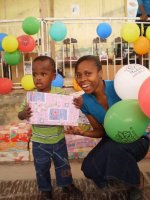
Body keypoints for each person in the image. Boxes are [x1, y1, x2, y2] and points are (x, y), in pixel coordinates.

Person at [67, 55, 150, 199]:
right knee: (88, 167)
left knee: (112, 150)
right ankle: (121, 180)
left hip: (137, 139)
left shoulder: (119, 87)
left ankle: (135, 184)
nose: (82, 79)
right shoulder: (84, 101)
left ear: (100, 73)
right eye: (78, 75)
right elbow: (100, 131)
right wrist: (81, 132)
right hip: (113, 139)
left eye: (88, 73)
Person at [18, 55, 81, 200]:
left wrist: (77, 103)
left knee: (63, 165)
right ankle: (45, 189)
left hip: (58, 140)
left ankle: (66, 184)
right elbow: (20, 115)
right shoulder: (31, 96)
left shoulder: (60, 94)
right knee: (41, 169)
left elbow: (71, 107)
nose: (38, 78)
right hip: (39, 143)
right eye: (34, 74)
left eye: (43, 74)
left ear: (53, 76)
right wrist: (24, 113)